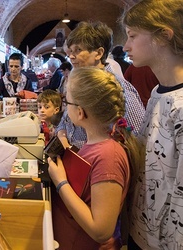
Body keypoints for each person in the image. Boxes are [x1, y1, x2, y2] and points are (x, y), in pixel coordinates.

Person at [48, 67, 144, 249]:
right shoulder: (94, 146)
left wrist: (60, 182)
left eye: (66, 101)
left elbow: (101, 230)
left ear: (80, 112)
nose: (64, 107)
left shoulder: (108, 157)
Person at [121, 1, 183, 249]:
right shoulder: (158, 91)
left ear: (163, 36)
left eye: (133, 36)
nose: (126, 46)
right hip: (142, 231)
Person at [56, 21, 145, 149]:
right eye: (70, 51)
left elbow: (136, 138)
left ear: (98, 53)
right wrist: (64, 140)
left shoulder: (118, 88)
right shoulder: (80, 83)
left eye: (78, 50)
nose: (71, 56)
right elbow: (66, 121)